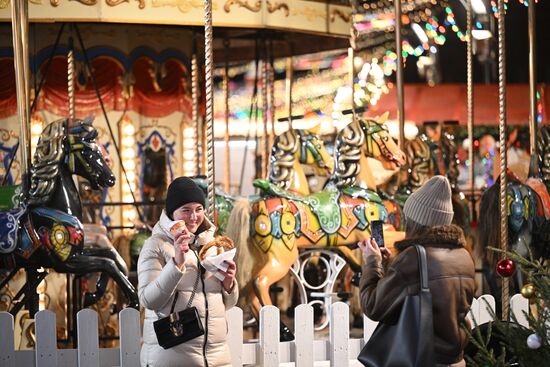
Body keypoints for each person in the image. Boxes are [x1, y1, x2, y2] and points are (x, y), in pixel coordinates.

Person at [359, 175, 475, 367]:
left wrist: (372, 262)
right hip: (456, 360)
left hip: (422, 359)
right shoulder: (464, 256)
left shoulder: (414, 257)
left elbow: (373, 305)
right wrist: (391, 264)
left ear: (416, 220)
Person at [138, 176, 238, 367]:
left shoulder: (212, 245)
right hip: (172, 357)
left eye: (198, 209)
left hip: (217, 358)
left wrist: (229, 284)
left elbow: (228, 305)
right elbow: (148, 300)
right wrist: (176, 264)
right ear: (171, 212)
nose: (194, 217)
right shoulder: (155, 246)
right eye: (186, 210)